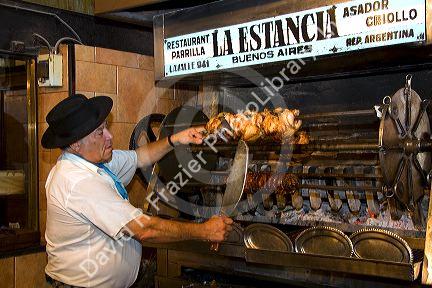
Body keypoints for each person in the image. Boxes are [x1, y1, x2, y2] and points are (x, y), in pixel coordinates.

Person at [41, 94, 233, 288]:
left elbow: (140, 157)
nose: (110, 136)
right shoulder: (78, 182)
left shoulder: (92, 161)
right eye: (100, 132)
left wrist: (176, 139)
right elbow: (145, 229)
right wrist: (205, 231)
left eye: (106, 127)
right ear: (75, 144)